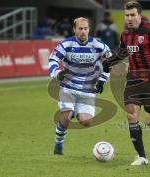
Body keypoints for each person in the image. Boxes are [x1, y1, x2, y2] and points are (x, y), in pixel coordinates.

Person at [104, 1, 150, 165]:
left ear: (139, 15)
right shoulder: (125, 35)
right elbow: (122, 53)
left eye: (132, 15)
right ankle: (141, 157)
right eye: (126, 15)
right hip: (133, 79)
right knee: (131, 114)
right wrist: (107, 62)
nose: (129, 18)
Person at [48, 17, 112, 155]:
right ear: (74, 29)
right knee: (65, 117)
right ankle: (58, 143)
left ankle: (75, 111)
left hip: (88, 89)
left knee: (86, 121)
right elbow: (53, 59)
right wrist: (57, 73)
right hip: (68, 87)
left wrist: (102, 80)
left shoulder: (98, 45)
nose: (83, 31)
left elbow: (109, 61)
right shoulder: (66, 44)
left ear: (89, 29)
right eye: (80, 29)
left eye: (85, 28)